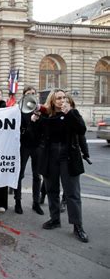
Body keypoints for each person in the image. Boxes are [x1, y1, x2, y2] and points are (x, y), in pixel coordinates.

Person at [37, 89, 89, 243]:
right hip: (50, 156)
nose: (62, 100)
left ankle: (77, 226)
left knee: (72, 193)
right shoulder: (47, 116)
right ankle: (54, 219)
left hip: (68, 156)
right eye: (58, 98)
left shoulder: (72, 113)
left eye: (64, 98)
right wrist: (35, 119)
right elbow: (35, 134)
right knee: (51, 189)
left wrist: (70, 113)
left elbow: (82, 129)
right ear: (52, 101)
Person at [15, 86, 44, 215]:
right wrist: (30, 122)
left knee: (37, 176)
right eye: (28, 93)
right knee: (20, 175)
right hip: (24, 146)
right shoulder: (20, 111)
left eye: (33, 93)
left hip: (37, 146)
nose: (31, 95)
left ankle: (36, 203)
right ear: (24, 96)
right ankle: (18, 202)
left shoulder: (41, 110)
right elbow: (19, 131)